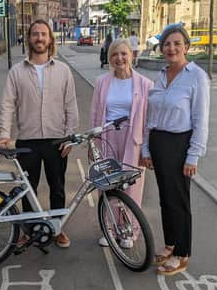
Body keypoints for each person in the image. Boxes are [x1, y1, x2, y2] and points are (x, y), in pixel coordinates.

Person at [0, 19, 79, 248]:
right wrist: (4, 133)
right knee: (27, 188)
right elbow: (7, 105)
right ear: (29, 38)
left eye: (43, 34)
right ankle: (28, 230)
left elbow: (70, 105)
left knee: (57, 187)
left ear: (50, 38)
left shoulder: (63, 70)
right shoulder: (17, 72)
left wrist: (70, 135)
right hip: (28, 141)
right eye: (35, 34)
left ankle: (57, 228)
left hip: (56, 140)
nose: (39, 38)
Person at [141, 25, 210, 276]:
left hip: (180, 143)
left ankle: (182, 254)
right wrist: (147, 148)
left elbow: (201, 119)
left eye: (176, 43)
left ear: (186, 46)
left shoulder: (196, 77)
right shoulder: (161, 75)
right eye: (167, 44)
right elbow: (151, 116)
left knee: (179, 200)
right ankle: (170, 244)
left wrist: (193, 154)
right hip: (159, 143)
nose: (171, 48)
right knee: (165, 198)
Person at [90, 38, 153, 247]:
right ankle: (108, 228)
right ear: (110, 58)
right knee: (107, 183)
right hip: (107, 136)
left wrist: (147, 149)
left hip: (132, 139)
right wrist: (92, 142)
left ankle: (129, 231)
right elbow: (94, 113)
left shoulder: (144, 84)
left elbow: (148, 119)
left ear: (131, 55)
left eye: (124, 54)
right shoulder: (102, 82)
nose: (120, 58)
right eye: (115, 54)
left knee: (131, 186)